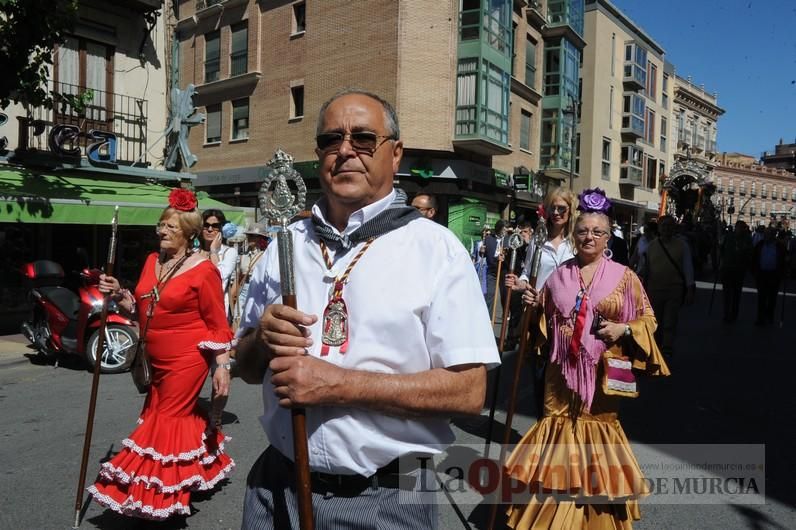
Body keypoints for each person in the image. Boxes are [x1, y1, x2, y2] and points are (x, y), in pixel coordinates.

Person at [233, 89, 500, 529]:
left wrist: (338, 386)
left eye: (362, 139)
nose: (344, 151)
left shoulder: (435, 250)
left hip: (386, 499)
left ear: (394, 155)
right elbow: (244, 367)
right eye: (330, 140)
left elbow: (468, 392)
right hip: (275, 486)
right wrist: (261, 339)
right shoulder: (286, 243)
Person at [505, 188, 670, 529]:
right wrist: (535, 306)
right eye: (582, 231)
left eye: (597, 232)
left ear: (608, 237)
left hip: (601, 376)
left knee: (596, 440)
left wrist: (623, 329)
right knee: (556, 435)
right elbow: (544, 322)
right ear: (574, 234)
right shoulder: (559, 275)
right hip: (560, 376)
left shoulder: (625, 277)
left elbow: (649, 320)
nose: (589, 237)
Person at [88, 188, 234, 520]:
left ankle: (154, 498)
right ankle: (206, 466)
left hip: (187, 357)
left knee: (165, 419)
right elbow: (140, 305)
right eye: (160, 226)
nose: (162, 232)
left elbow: (217, 322)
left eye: (170, 227)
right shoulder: (153, 261)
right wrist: (119, 295)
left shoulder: (203, 270)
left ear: (188, 232)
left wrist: (221, 366)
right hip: (153, 356)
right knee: (174, 416)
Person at [505, 186, 577, 293]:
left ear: (570, 210)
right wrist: (521, 283)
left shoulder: (577, 242)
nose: (556, 213)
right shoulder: (538, 239)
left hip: (567, 307)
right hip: (538, 305)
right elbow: (527, 272)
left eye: (561, 208)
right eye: (552, 208)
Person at [643, 215, 695, 359]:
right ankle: (656, 346)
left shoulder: (682, 246)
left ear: (674, 228)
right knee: (655, 320)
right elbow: (644, 269)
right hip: (654, 289)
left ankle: (667, 347)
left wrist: (690, 289)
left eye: (669, 226)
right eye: (664, 226)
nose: (666, 229)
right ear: (659, 228)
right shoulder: (651, 247)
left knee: (670, 320)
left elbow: (688, 268)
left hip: (674, 289)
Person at [230, 223, 270, 331]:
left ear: (260, 238)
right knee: (238, 318)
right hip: (244, 289)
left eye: (253, 235)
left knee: (255, 318)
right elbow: (238, 278)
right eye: (249, 235)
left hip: (259, 289)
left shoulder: (266, 256)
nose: (249, 238)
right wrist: (232, 297)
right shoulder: (242, 256)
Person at [201, 209, 239, 319]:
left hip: (217, 309)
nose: (209, 229)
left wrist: (213, 251)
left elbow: (220, 276)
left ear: (221, 229)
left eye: (215, 226)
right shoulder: (194, 251)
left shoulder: (230, 252)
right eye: (206, 225)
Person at [751, 226, 787, 325]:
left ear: (773, 236)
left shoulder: (780, 247)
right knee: (761, 298)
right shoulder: (760, 245)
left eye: (769, 234)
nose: (766, 236)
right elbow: (754, 258)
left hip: (774, 275)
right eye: (765, 234)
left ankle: (769, 316)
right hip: (762, 274)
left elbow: (784, 259)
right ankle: (760, 318)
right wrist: (754, 272)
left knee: (772, 298)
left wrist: (784, 270)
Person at [720, 220, 752, 323]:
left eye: (741, 228)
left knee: (736, 294)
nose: (739, 230)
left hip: (739, 271)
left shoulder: (747, 239)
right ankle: (726, 314)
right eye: (738, 227)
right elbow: (721, 249)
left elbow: (749, 254)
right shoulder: (728, 237)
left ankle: (734, 314)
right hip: (727, 269)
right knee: (727, 294)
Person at [484, 219, 508, 316]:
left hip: (504, 271)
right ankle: (487, 317)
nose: (505, 232)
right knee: (489, 294)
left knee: (505, 294)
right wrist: (482, 252)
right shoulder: (489, 239)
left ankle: (506, 314)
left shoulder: (508, 240)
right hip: (492, 271)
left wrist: (505, 256)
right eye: (504, 229)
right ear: (499, 228)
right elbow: (486, 255)